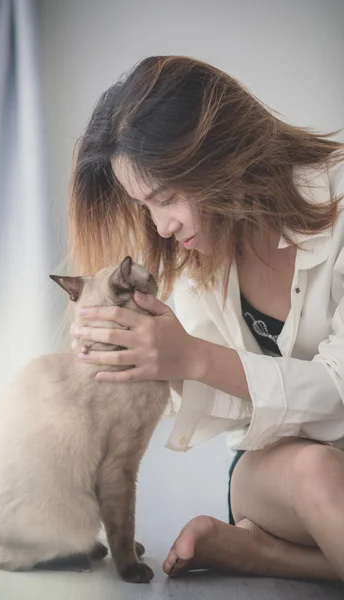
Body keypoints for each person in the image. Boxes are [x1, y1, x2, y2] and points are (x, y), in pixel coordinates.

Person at [69, 55, 344, 581]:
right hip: (286, 477)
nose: (162, 227)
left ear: (222, 155)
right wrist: (158, 361)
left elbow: (339, 386)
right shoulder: (200, 264)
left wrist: (193, 356)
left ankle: (267, 556)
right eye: (144, 206)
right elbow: (244, 418)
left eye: (167, 198)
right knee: (313, 472)